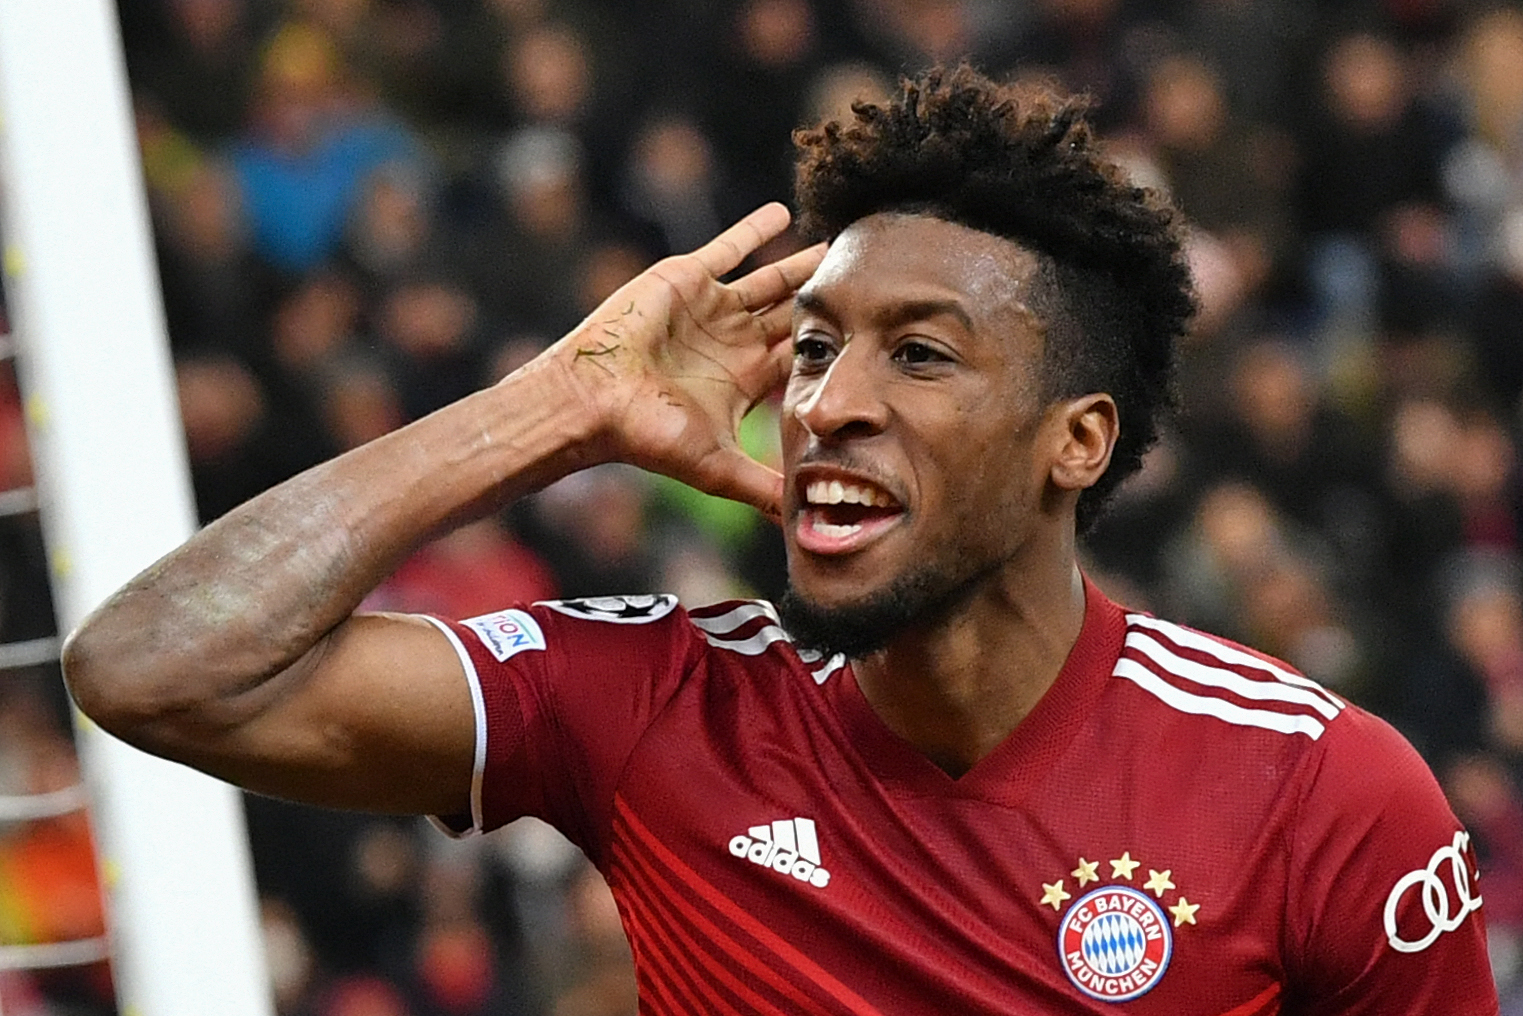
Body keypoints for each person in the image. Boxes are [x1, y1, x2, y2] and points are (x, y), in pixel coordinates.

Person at [63, 67, 1496, 1014]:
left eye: (919, 357)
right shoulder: (653, 708)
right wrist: (551, 414)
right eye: (811, 352)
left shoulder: (1317, 792)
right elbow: (154, 666)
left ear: (1080, 441)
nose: (828, 405)